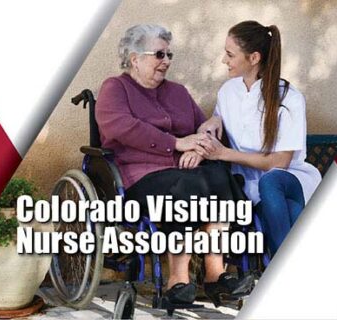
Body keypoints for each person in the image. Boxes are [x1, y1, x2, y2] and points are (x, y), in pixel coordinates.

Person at [95, 24, 253, 306]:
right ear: (135, 59)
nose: (166, 61)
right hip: (140, 178)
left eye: (169, 54)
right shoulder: (114, 89)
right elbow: (122, 127)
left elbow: (202, 128)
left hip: (186, 173)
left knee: (217, 175)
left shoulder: (178, 92)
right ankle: (177, 280)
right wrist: (177, 144)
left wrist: (201, 149)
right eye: (159, 54)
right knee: (190, 186)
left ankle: (215, 275)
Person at [198, 21, 322, 257]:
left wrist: (224, 153)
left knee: (271, 183)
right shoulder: (227, 92)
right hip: (249, 187)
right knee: (289, 211)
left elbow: (280, 163)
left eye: (230, 54)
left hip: (290, 180)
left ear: (253, 58)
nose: (224, 60)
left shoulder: (288, 97)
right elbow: (217, 119)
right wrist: (211, 123)